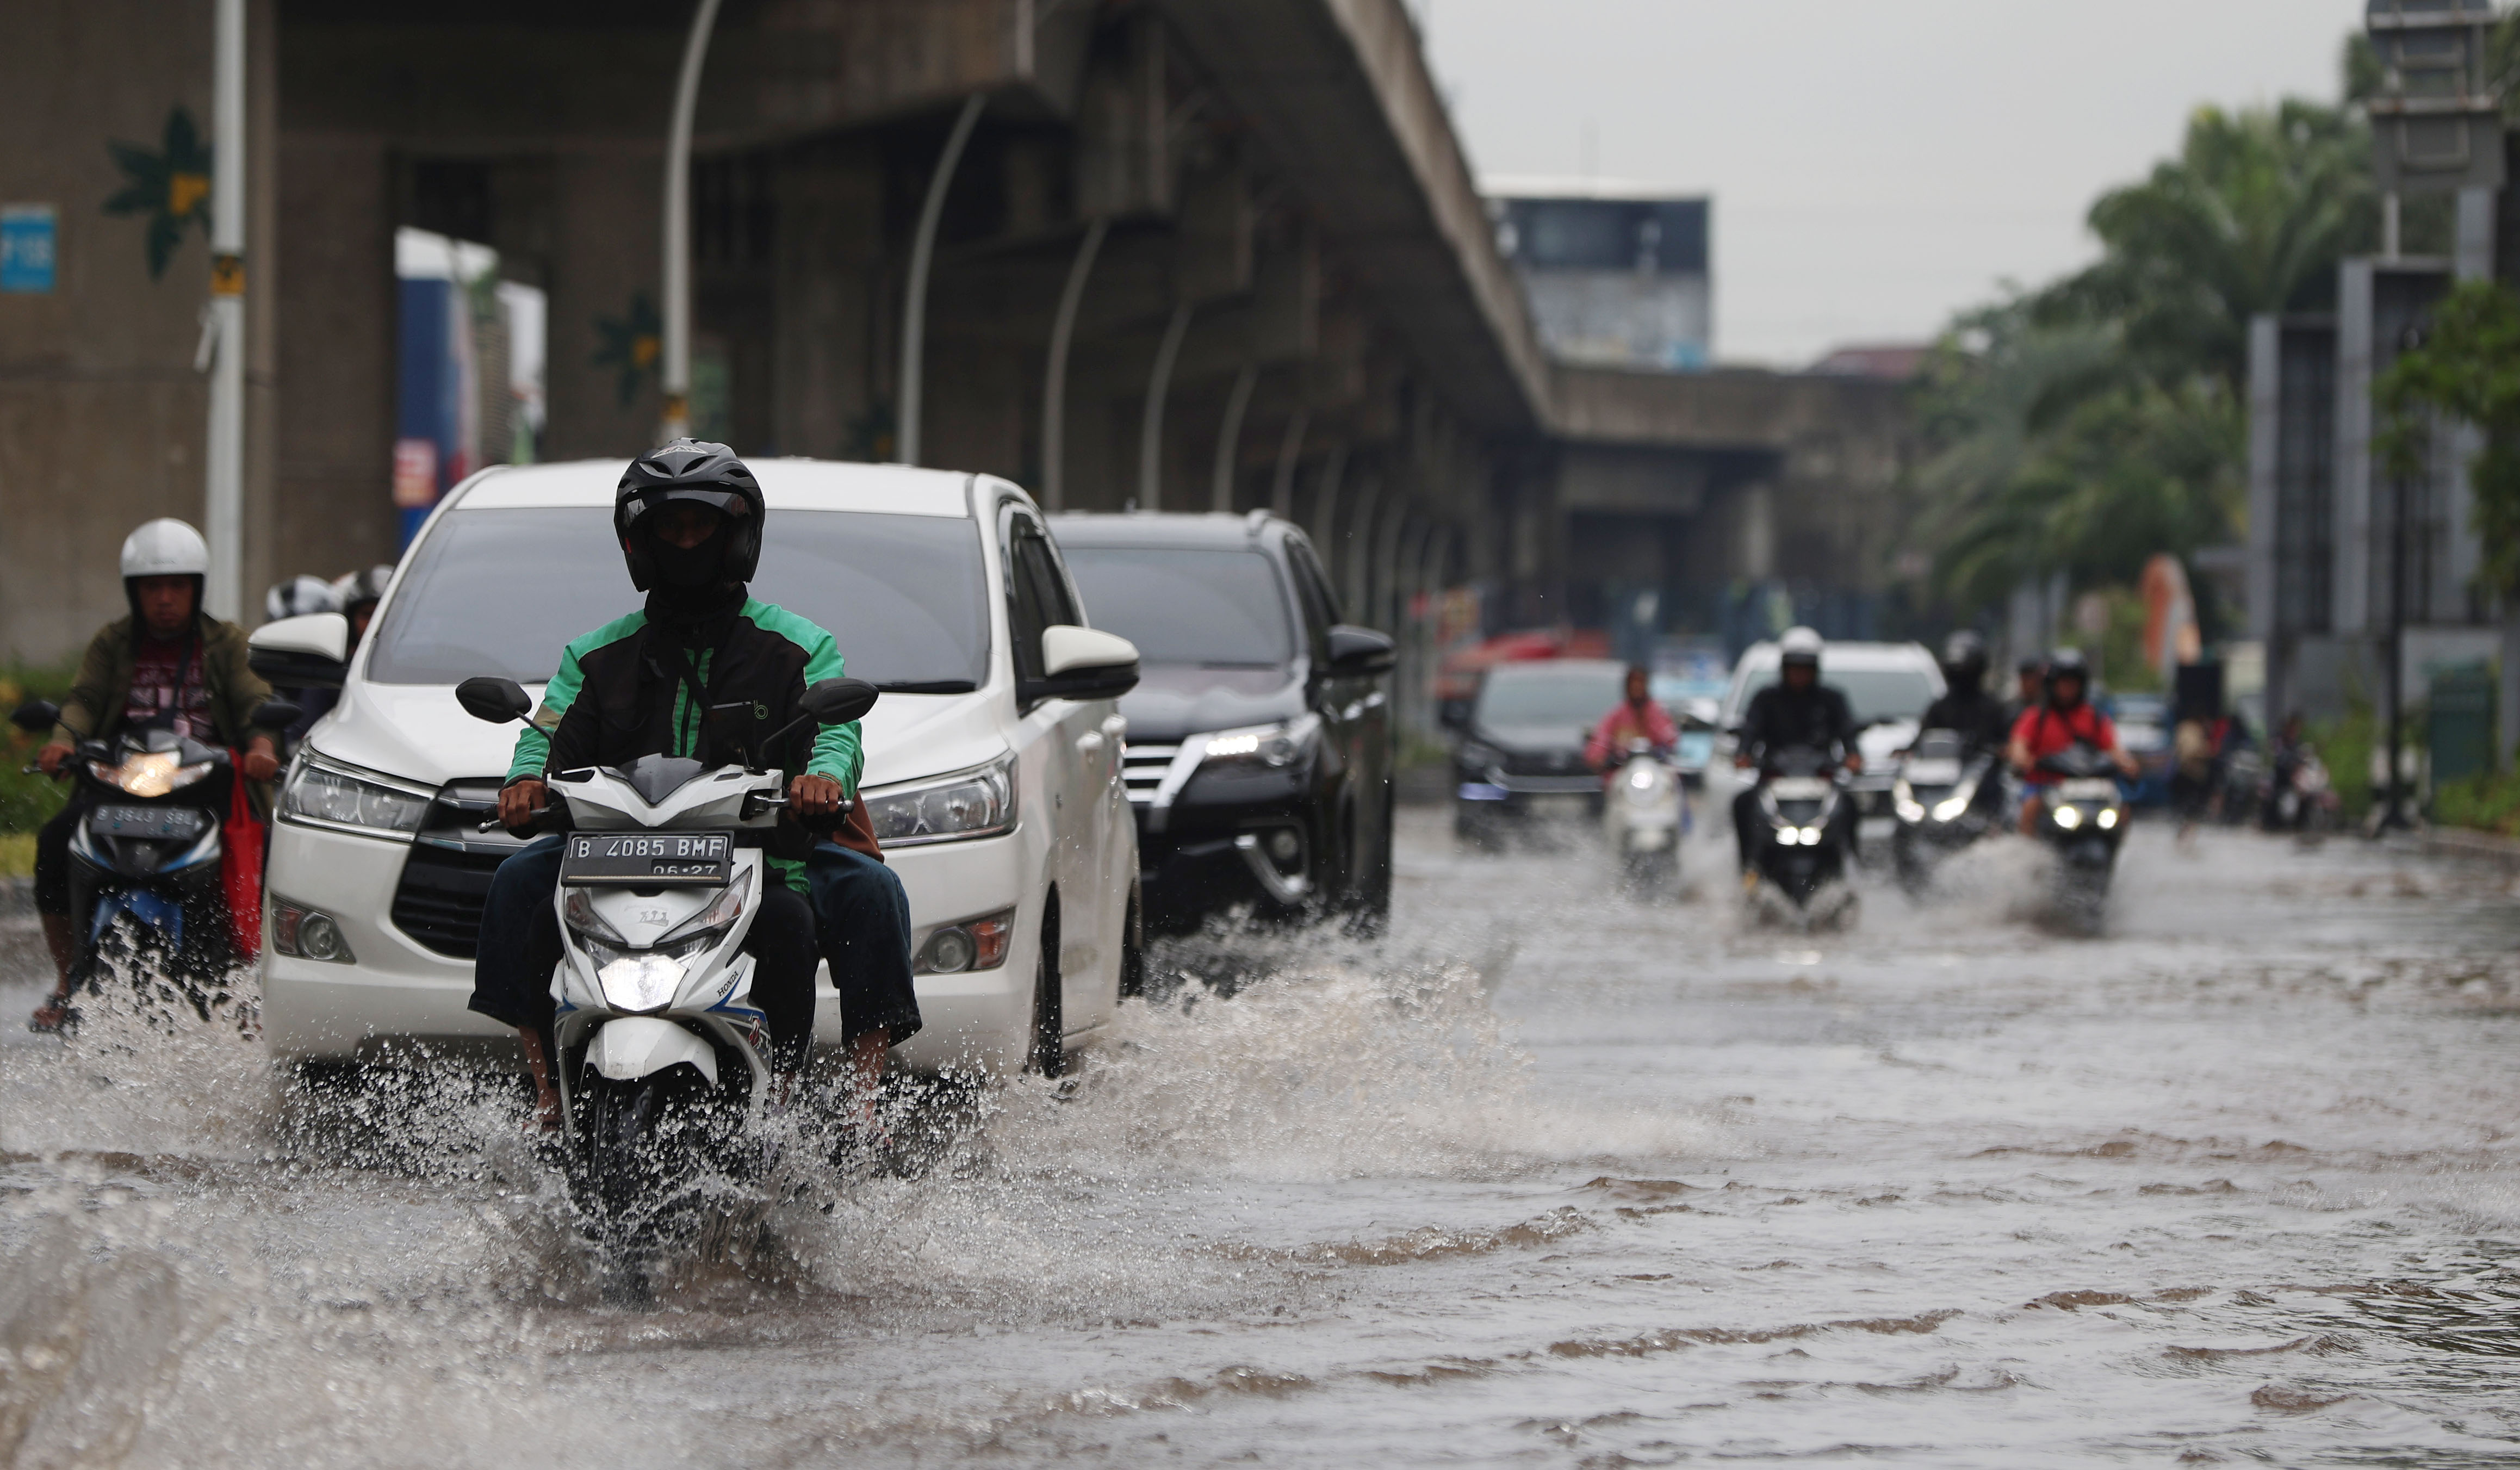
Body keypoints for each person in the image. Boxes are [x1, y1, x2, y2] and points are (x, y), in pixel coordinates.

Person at [465, 440, 919, 1131]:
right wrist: (525, 781)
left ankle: (838, 1104)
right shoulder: (591, 655)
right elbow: (545, 731)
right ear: (638, 543)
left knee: (855, 899)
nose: (684, 542)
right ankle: (546, 1096)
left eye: (699, 526)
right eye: (668, 529)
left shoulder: (799, 646)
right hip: (613, 856)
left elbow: (836, 733)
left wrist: (823, 779)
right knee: (517, 883)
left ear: (737, 536)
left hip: (767, 856)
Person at [28, 519, 282, 1031]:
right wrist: (62, 740)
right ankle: (65, 981)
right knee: (56, 842)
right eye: (152, 587)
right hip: (120, 785)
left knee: (274, 860)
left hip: (204, 789)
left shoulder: (228, 642)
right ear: (134, 592)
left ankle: (254, 990)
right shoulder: (112, 643)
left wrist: (259, 746)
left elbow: (256, 700)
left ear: (196, 589)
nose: (165, 598)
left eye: (177, 586)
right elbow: (84, 701)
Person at [1730, 627, 1861, 871]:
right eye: (1794, 668)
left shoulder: (1832, 699)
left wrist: (1854, 755)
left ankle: (1852, 864)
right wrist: (1743, 754)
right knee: (1742, 804)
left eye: (1805, 669)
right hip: (1774, 780)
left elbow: (1847, 731)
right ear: (1784, 668)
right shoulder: (1766, 699)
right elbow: (1750, 730)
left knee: (1850, 805)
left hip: (1820, 780)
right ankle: (1748, 869)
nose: (1799, 675)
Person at [2006, 647, 2138, 834]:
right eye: (2064, 683)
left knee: (2122, 808)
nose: (2068, 689)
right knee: (2030, 807)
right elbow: (2019, 746)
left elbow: (2113, 749)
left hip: (2087, 787)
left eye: (2073, 683)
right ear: (2053, 685)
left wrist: (2127, 763)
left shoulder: (2094, 718)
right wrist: (2023, 760)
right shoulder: (2035, 717)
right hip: (2047, 786)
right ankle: (2026, 849)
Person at [1916, 631, 2009, 754]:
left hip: (1982, 772)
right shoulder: (1940, 708)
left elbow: (2006, 746)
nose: (1962, 677)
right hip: (1943, 771)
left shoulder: (1993, 710)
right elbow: (1922, 742)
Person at [1585, 664, 1679, 775]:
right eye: (1633, 683)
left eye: (1640, 683)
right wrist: (1597, 756)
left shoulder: (1658, 713)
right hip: (1624, 774)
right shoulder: (1617, 716)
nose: (1636, 687)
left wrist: (1648, 719)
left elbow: (1671, 739)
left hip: (1654, 774)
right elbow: (1602, 739)